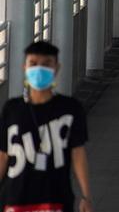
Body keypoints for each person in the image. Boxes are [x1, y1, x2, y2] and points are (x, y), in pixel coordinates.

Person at [0, 41, 92, 212]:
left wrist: (86, 195)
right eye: (33, 64)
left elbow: (78, 152)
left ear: (56, 68)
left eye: (46, 64)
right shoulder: (12, 109)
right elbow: (4, 155)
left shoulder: (70, 108)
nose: (39, 69)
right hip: (15, 198)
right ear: (24, 67)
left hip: (55, 198)